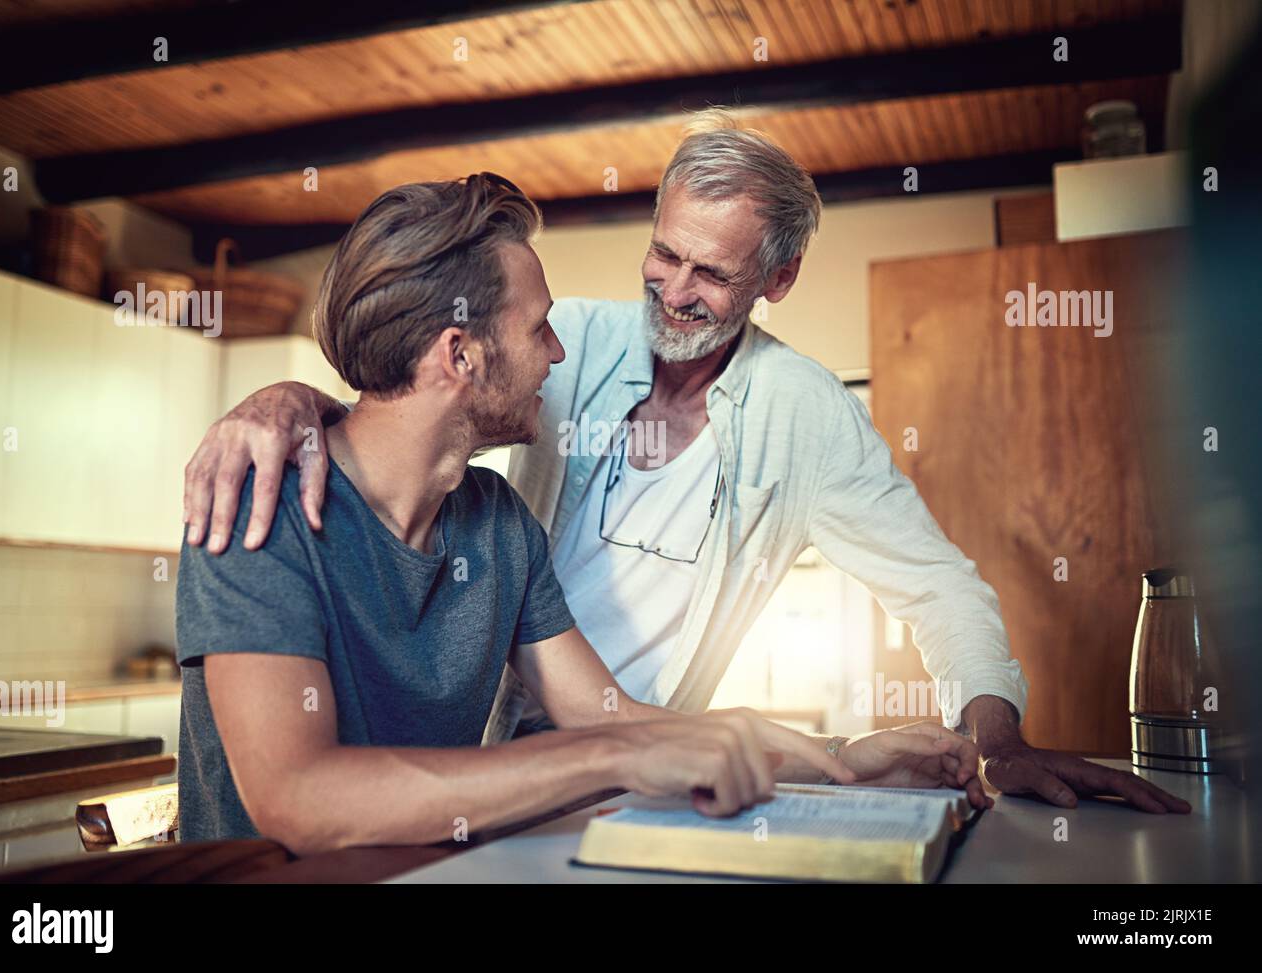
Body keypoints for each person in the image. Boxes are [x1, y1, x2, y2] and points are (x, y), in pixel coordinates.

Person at [183, 112, 1189, 816]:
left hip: (607, 784)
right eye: (663, 254)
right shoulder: (292, 499)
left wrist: (917, 748)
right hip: (482, 793)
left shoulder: (516, 510)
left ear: (777, 278)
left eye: (711, 271)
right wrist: (281, 401)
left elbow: (934, 588)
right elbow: (407, 389)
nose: (669, 292)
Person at [176, 172, 986, 851]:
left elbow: (613, 716)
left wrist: (843, 761)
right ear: (461, 354)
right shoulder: (259, 508)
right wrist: (607, 757)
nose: (559, 355)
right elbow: (299, 795)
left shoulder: (496, 523)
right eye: (539, 329)